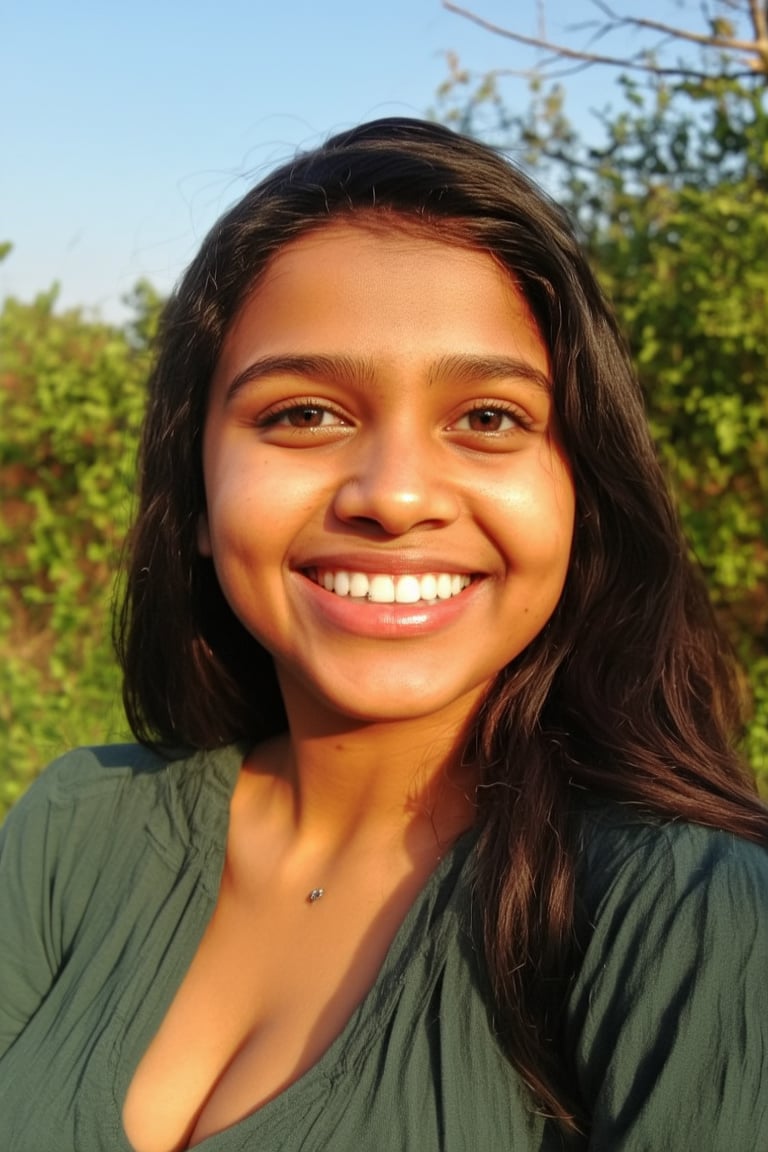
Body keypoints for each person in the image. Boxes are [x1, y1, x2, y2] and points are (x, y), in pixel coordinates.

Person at [0, 117, 766, 1152]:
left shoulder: (693, 917)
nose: (395, 495)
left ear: (585, 491)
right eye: (304, 414)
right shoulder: (76, 830)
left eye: (489, 418)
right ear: (194, 493)